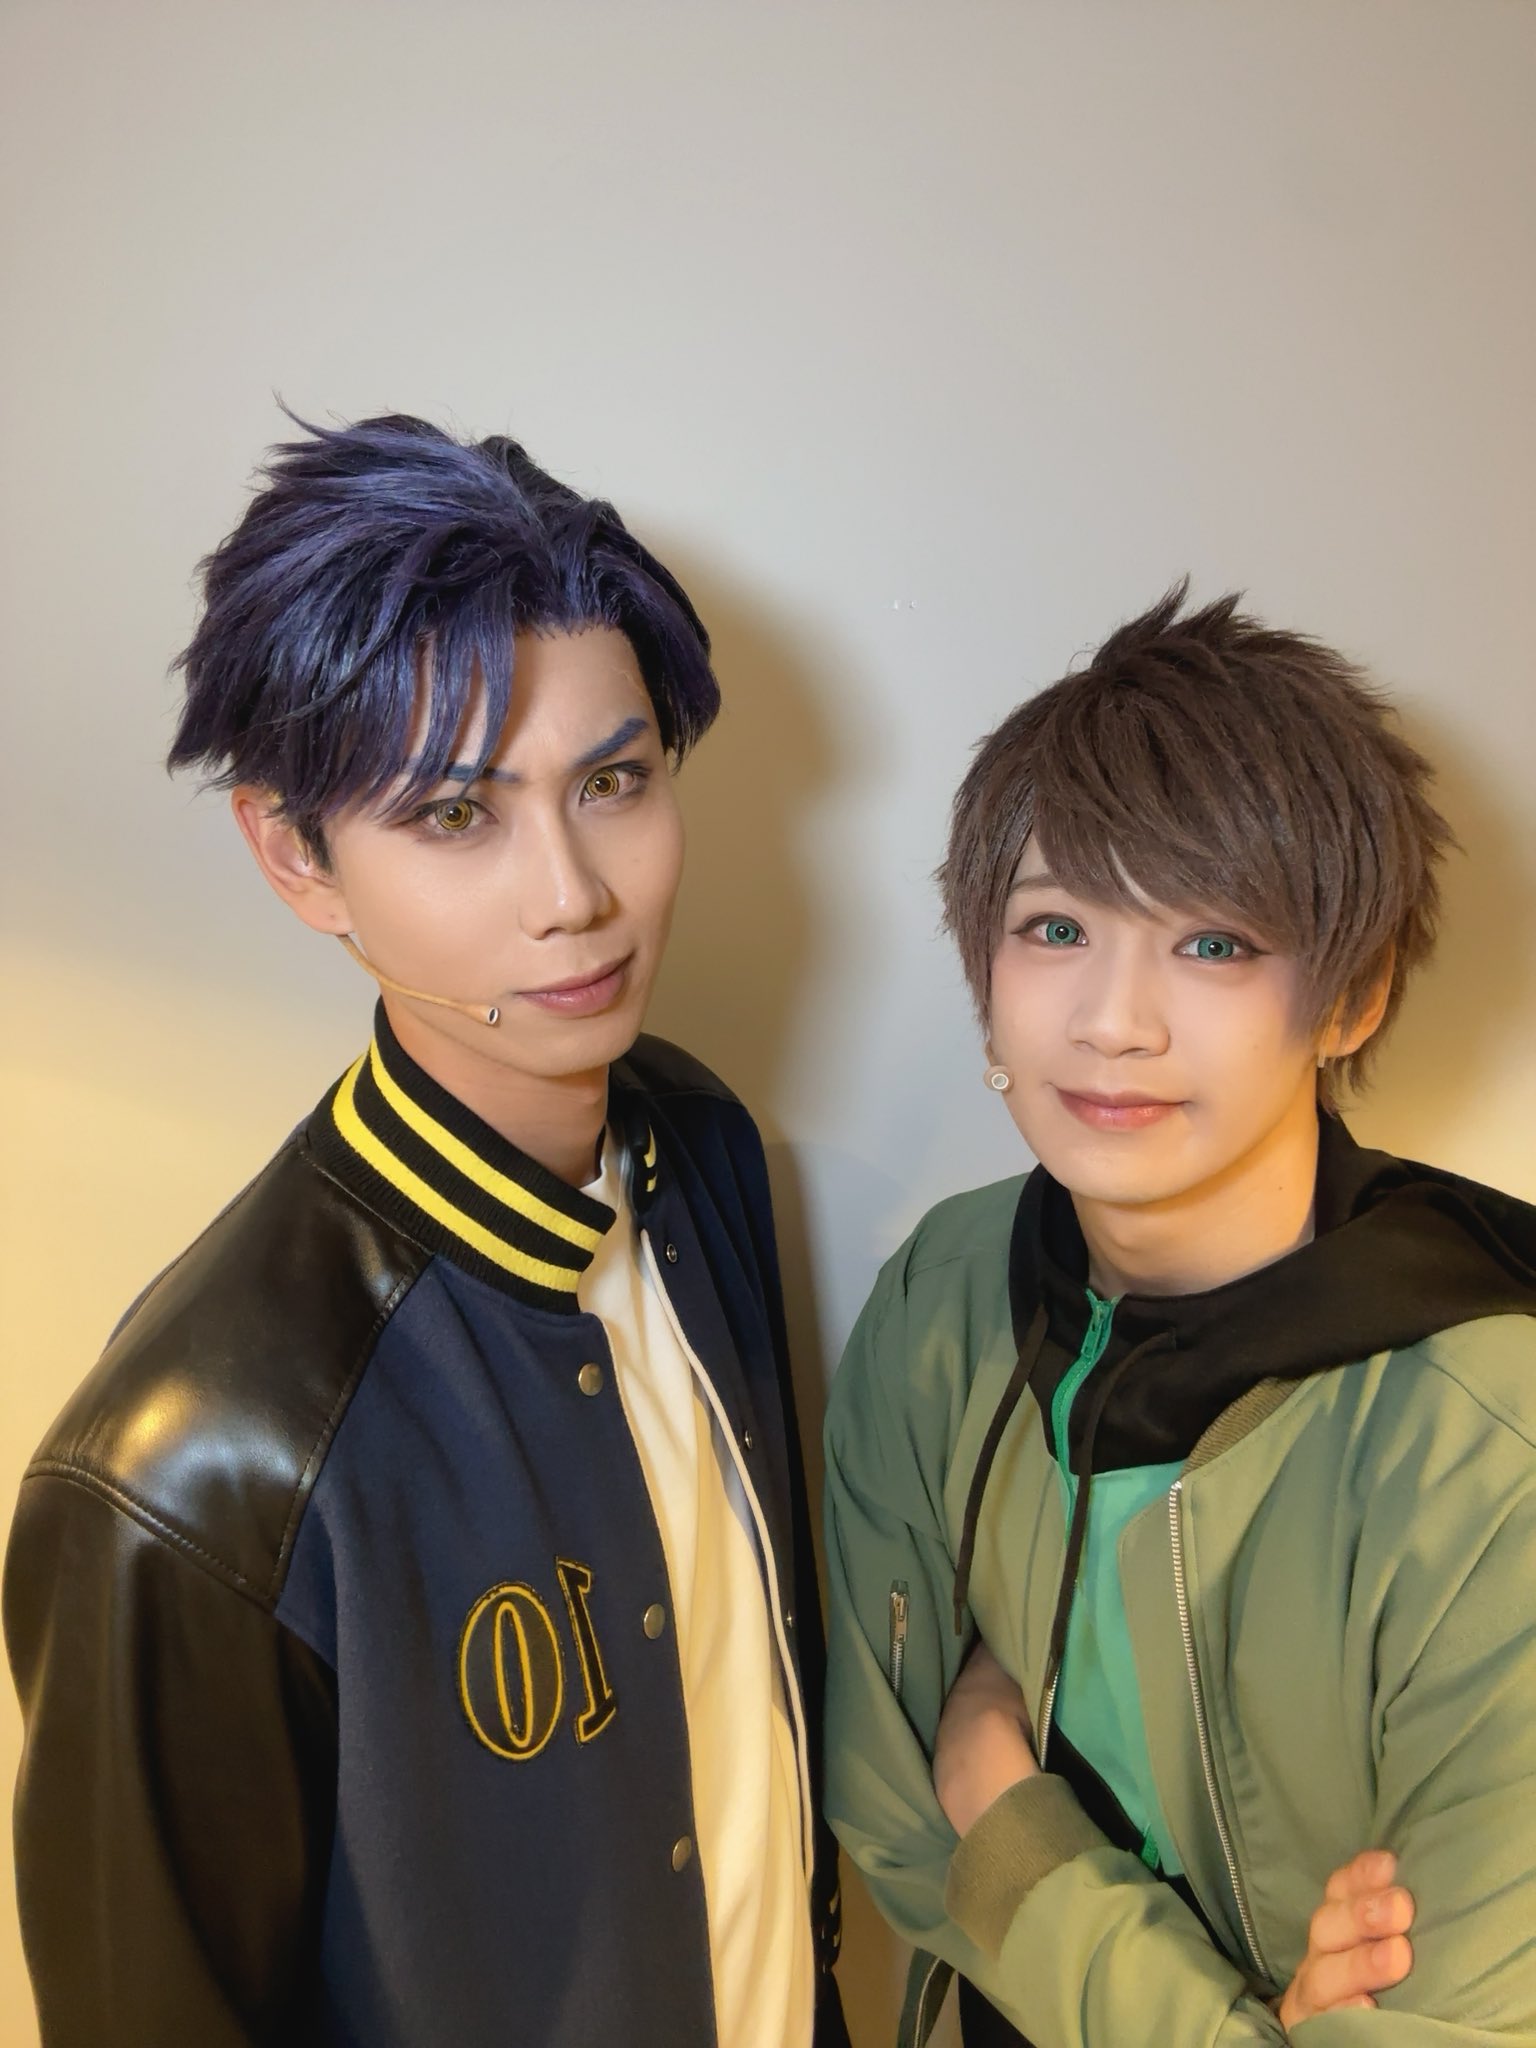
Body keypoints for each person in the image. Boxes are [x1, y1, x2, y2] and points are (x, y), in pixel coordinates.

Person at [4, 412, 847, 2048]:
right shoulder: (192, 1474)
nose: (573, 895)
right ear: (295, 854)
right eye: (458, 815)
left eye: (614, 782)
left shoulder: (701, 1155)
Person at [822, 586, 1536, 2045]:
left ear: (1351, 998)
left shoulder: (1486, 1452)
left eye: (1212, 943)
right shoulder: (945, 1292)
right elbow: (888, 1818)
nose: (1113, 1021)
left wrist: (1009, 1820)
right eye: (1057, 927)